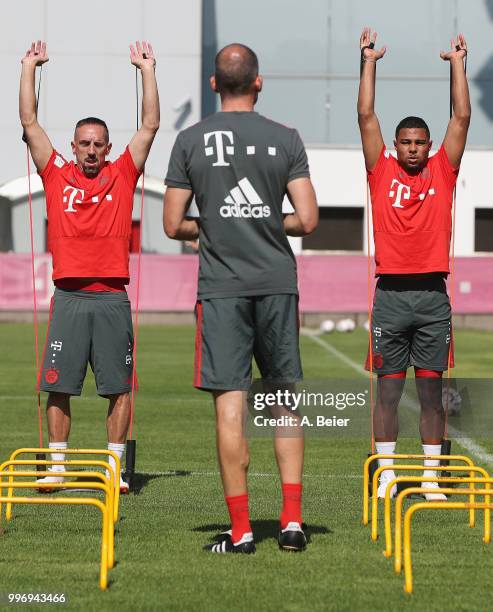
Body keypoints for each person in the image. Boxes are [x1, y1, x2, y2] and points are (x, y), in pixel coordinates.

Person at [163, 43, 318, 552]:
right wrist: (264, 221)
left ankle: (243, 531)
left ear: (213, 84)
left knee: (231, 408)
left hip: (222, 290)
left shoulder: (189, 140)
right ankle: (292, 524)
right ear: (259, 82)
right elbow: (309, 219)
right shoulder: (286, 138)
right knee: (283, 402)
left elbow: (171, 224)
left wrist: (216, 227)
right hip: (276, 283)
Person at [19, 40, 160, 492]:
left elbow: (151, 123)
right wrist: (28, 68)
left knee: (119, 387)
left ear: (109, 146)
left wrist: (146, 70)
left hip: (112, 298)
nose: (92, 151)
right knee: (58, 386)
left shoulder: (123, 173)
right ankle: (57, 466)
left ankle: (114, 468)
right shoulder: (56, 173)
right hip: (70, 298)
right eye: (85, 143)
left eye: (99, 144)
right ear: (73, 146)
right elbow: (28, 121)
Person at [357, 28, 470, 499]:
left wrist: (457, 65)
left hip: (431, 297)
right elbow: (365, 115)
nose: (413, 148)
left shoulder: (443, 170)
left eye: (420, 142)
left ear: (428, 146)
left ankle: (428, 478)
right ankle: (385, 473)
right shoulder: (380, 169)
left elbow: (462, 115)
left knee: (430, 392)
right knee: (386, 391)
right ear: (396, 145)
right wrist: (369, 62)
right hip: (390, 297)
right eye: (406, 142)